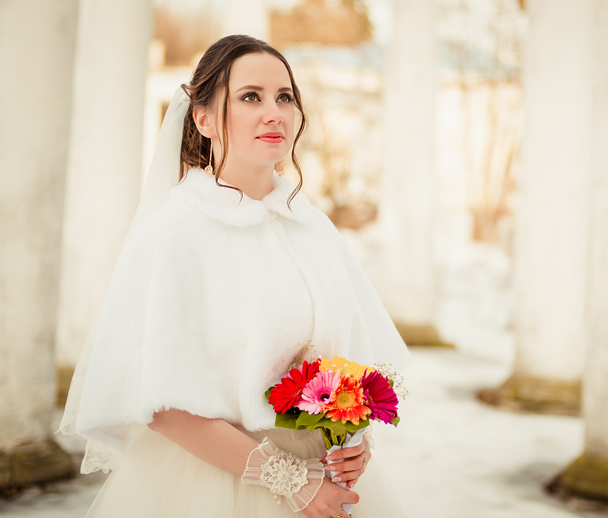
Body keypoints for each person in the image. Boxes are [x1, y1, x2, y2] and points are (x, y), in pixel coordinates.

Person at [58, 35, 411, 518]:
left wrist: (354, 440)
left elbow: (350, 357)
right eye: (250, 97)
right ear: (203, 119)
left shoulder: (312, 227)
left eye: (284, 97)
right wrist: (292, 482)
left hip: (328, 483)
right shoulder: (177, 233)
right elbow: (162, 405)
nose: (274, 113)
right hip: (216, 486)